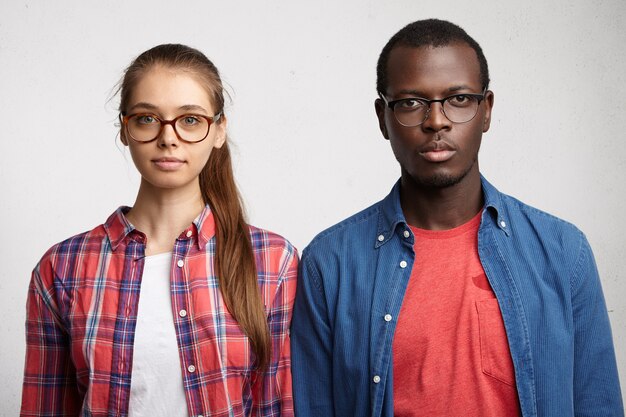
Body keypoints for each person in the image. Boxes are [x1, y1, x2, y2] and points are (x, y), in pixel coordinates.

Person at [291, 19, 623, 417]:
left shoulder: (564, 252)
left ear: (486, 111)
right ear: (383, 117)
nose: (436, 121)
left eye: (459, 99)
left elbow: (598, 404)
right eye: (411, 102)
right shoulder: (329, 264)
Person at [21, 44, 297, 417]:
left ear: (218, 131)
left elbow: (278, 406)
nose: (168, 138)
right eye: (147, 118)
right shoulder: (62, 268)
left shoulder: (272, 261)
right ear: (125, 129)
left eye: (190, 120)